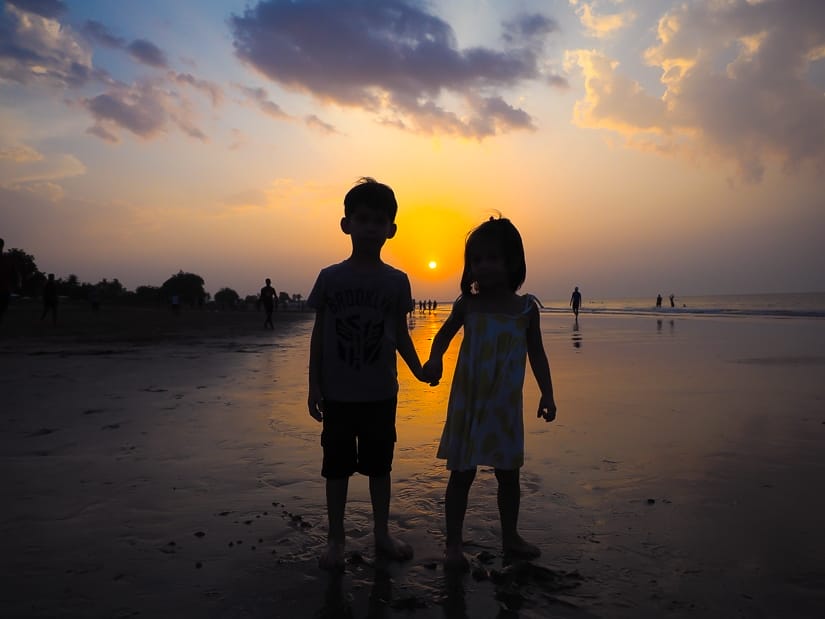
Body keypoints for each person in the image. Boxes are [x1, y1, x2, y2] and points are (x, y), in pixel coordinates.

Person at [306, 177, 430, 571]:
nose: (371, 227)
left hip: (380, 392)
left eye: (379, 221)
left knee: (380, 467)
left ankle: (381, 533)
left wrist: (419, 369)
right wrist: (313, 384)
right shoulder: (330, 278)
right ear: (346, 224)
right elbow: (320, 334)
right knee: (337, 469)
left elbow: (399, 336)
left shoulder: (396, 281)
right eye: (362, 219)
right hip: (339, 394)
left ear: (391, 230)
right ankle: (336, 539)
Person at [422, 216, 557, 570]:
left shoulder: (526, 308)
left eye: (492, 258)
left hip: (505, 406)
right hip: (470, 402)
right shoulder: (468, 305)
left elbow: (537, 353)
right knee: (461, 474)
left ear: (513, 262)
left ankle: (510, 536)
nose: (483, 265)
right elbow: (443, 336)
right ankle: (453, 543)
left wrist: (548, 393)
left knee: (508, 474)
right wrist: (435, 359)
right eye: (476, 259)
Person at [0, 238, 20, 324]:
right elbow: (15, 275)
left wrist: (17, 283)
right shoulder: (7, 260)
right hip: (5, 291)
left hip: (4, 291)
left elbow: (15, 275)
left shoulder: (7, 260)